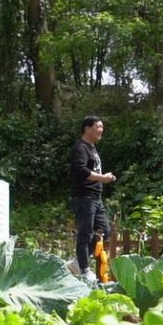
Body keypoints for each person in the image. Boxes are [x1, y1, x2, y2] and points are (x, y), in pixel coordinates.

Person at [69, 116, 116, 279]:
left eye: (102, 127)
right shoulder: (80, 148)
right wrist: (102, 178)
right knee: (85, 233)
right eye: (98, 127)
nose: (101, 130)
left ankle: (78, 262)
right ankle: (84, 269)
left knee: (105, 231)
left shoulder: (93, 148)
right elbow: (81, 171)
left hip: (96, 197)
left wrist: (104, 177)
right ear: (87, 128)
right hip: (84, 196)